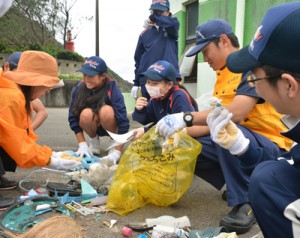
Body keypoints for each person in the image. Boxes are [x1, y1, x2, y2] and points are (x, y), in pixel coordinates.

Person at [155, 19, 293, 234]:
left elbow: (235, 114)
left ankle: (246, 202)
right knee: (193, 146)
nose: (205, 58)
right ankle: (238, 184)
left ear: (224, 41)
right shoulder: (222, 75)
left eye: (206, 50)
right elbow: (212, 122)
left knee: (225, 129)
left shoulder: (251, 68)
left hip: (272, 145)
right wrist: (179, 134)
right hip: (245, 141)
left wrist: (186, 117)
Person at [206, 2, 300, 237]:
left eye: (255, 80)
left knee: (267, 181)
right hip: (272, 146)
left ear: (289, 85)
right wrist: (243, 148)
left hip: (272, 140)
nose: (253, 87)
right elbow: (293, 164)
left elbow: (236, 112)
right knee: (270, 173)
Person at [0, 50, 81, 209]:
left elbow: (22, 134)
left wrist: (51, 154)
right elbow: (17, 145)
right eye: (48, 85)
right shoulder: (11, 97)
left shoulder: (16, 93)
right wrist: (51, 161)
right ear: (36, 81)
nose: (49, 90)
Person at [68, 56, 130, 165]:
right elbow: (72, 117)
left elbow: (123, 122)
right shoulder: (79, 88)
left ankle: (112, 143)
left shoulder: (112, 88)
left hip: (110, 125)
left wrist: (117, 151)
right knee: (85, 114)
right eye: (85, 75)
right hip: (92, 126)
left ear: (103, 76)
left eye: (91, 76)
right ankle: (94, 141)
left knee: (106, 110)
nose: (86, 79)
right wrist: (82, 144)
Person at [132, 60, 197, 139]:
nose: (150, 86)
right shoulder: (156, 98)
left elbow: (178, 127)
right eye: (148, 82)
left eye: (155, 83)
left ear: (169, 85)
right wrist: (140, 109)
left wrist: (145, 131)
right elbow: (146, 120)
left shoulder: (179, 97)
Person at [131, 0, 180, 100]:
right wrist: (136, 83)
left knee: (171, 113)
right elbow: (138, 60)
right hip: (147, 81)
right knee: (148, 112)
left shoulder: (171, 28)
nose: (157, 15)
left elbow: (172, 24)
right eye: (154, 11)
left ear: (168, 12)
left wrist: (153, 17)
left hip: (167, 80)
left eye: (160, 12)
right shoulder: (144, 34)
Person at [3, 51, 48, 131]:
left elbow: (42, 111)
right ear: (6, 67)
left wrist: (27, 131)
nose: (23, 81)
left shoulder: (23, 92)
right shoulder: (9, 93)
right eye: (19, 75)